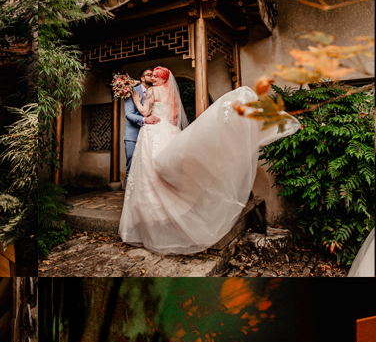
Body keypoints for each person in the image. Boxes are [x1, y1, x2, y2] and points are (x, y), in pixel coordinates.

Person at [118, 66, 299, 255]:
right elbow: (173, 116)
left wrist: (138, 102)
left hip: (152, 132)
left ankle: (150, 215)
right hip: (168, 131)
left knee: (148, 171)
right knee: (169, 170)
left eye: (155, 76)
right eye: (152, 76)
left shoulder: (152, 91)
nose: (152, 79)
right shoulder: (171, 93)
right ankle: (169, 211)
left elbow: (145, 113)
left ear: (162, 79)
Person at [122, 68, 160, 185]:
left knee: (148, 165)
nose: (152, 77)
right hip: (133, 134)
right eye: (149, 75)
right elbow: (128, 114)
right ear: (142, 78)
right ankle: (129, 197)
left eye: (154, 75)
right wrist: (144, 119)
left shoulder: (156, 91)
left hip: (150, 135)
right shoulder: (132, 91)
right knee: (132, 164)